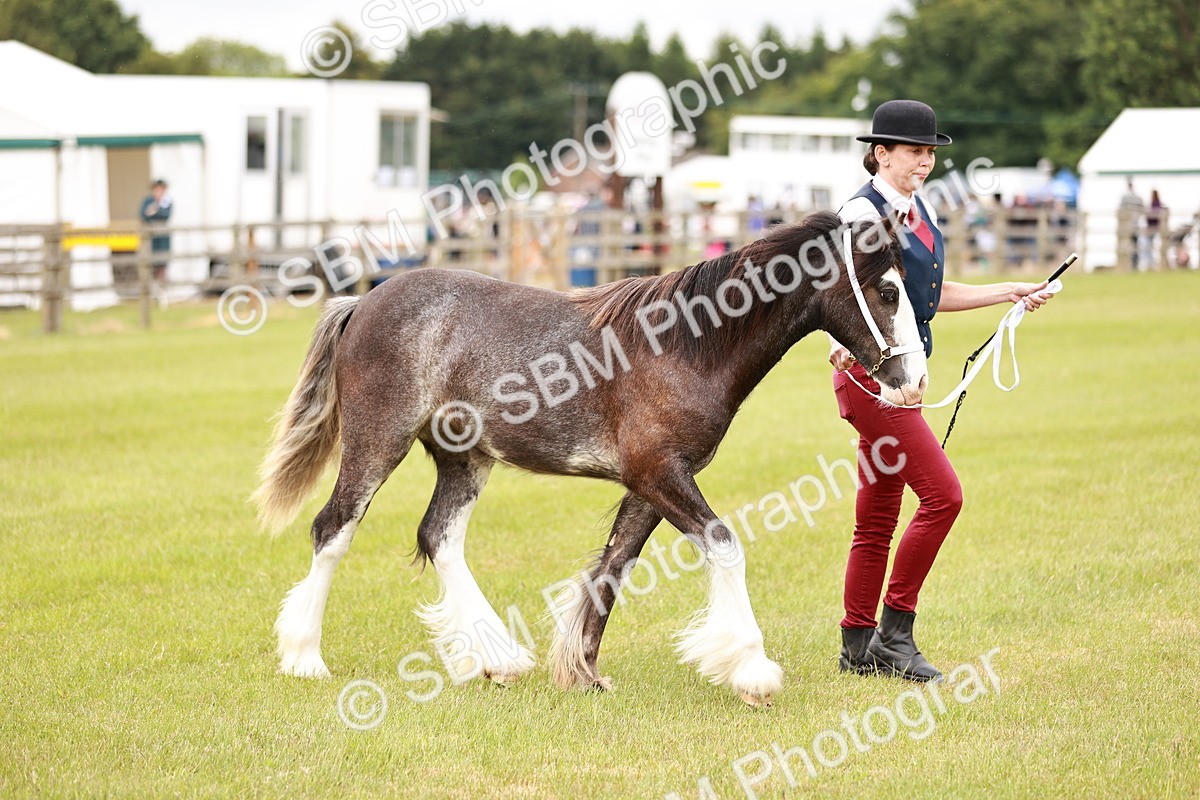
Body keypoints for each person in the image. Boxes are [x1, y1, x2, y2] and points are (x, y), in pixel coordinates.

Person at [829, 100, 1053, 682]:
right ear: (881, 154)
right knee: (943, 496)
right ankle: (894, 635)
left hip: (895, 373)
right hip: (876, 379)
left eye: (929, 152)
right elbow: (842, 292)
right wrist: (843, 344)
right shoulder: (861, 213)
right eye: (914, 152)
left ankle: (857, 645)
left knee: (878, 515)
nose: (925, 162)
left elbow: (927, 296)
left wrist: (1008, 290)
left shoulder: (916, 208)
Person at [139, 179, 173, 282]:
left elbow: (166, 214)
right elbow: (143, 215)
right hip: (151, 236)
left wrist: (155, 211)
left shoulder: (166, 201)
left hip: (162, 236)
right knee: (150, 261)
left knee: (163, 260)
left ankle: (162, 282)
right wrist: (152, 212)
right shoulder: (148, 201)